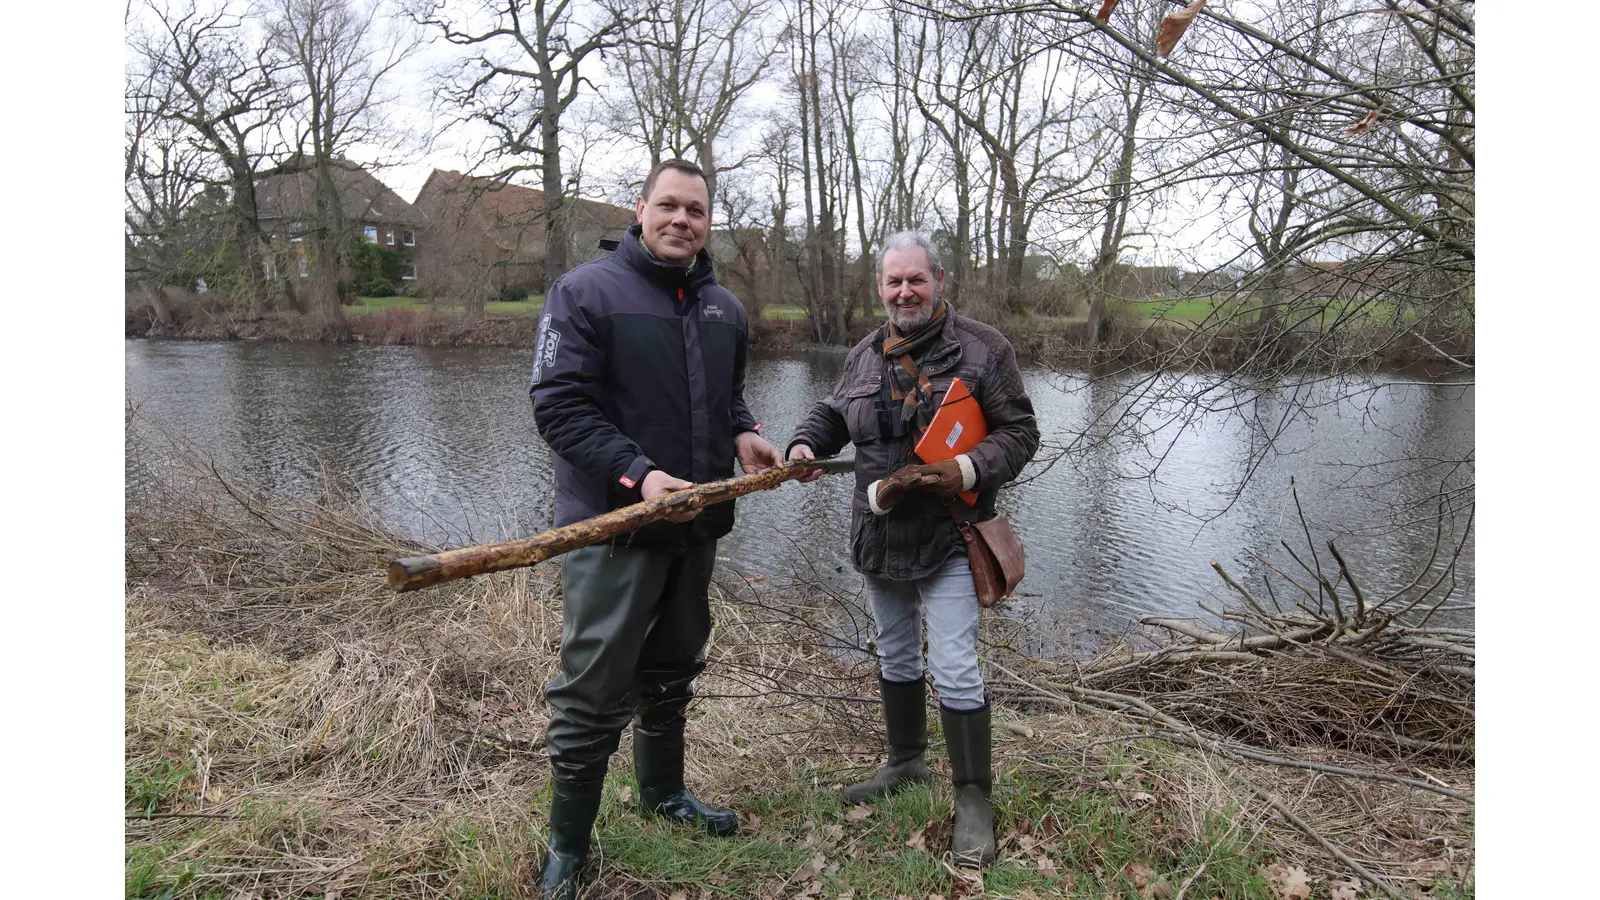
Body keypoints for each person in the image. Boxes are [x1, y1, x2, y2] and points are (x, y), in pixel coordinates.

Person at [528, 159, 783, 899]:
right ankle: (568, 848)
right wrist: (639, 476)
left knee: (674, 668)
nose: (681, 220)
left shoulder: (724, 310)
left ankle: (662, 793)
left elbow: (726, 397)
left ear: (709, 222)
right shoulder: (584, 293)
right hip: (617, 527)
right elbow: (557, 406)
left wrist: (745, 433)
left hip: (697, 525)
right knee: (592, 689)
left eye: (695, 211)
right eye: (667, 206)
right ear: (639, 209)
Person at [787, 230, 1039, 867]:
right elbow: (832, 413)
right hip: (878, 537)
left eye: (916, 280)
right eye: (893, 282)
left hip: (952, 536)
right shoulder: (864, 356)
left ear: (939, 281)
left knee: (954, 662)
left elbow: (1021, 433)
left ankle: (974, 800)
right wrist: (802, 444)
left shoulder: (985, 350)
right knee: (895, 650)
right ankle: (905, 763)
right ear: (880, 288)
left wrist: (968, 470)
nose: (905, 291)